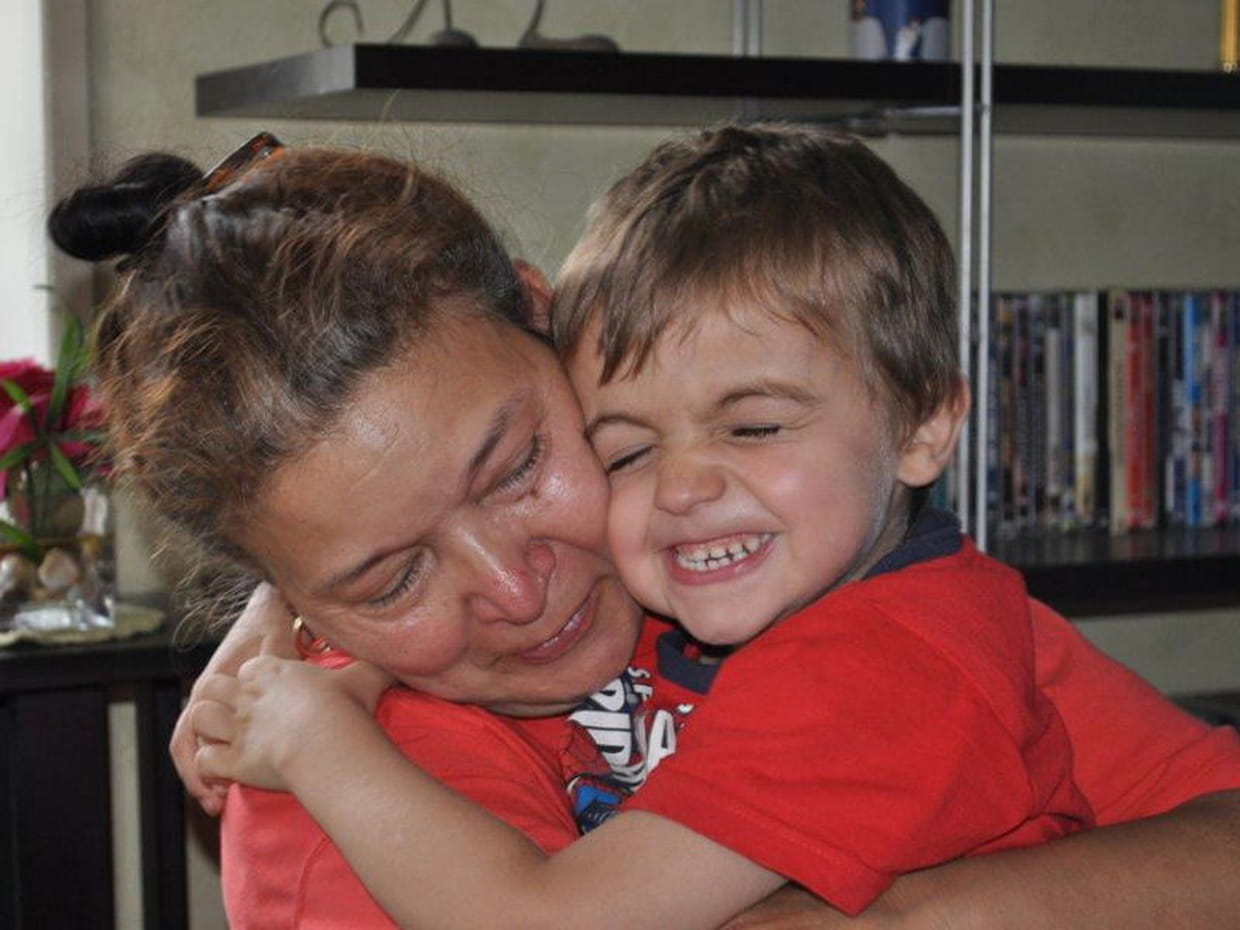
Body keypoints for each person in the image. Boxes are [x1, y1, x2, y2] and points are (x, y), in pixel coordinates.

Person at [161, 127, 1240, 927]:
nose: (518, 591)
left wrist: (317, 724)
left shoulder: (863, 627)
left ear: (549, 328)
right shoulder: (349, 789)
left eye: (518, 466)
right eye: (390, 578)